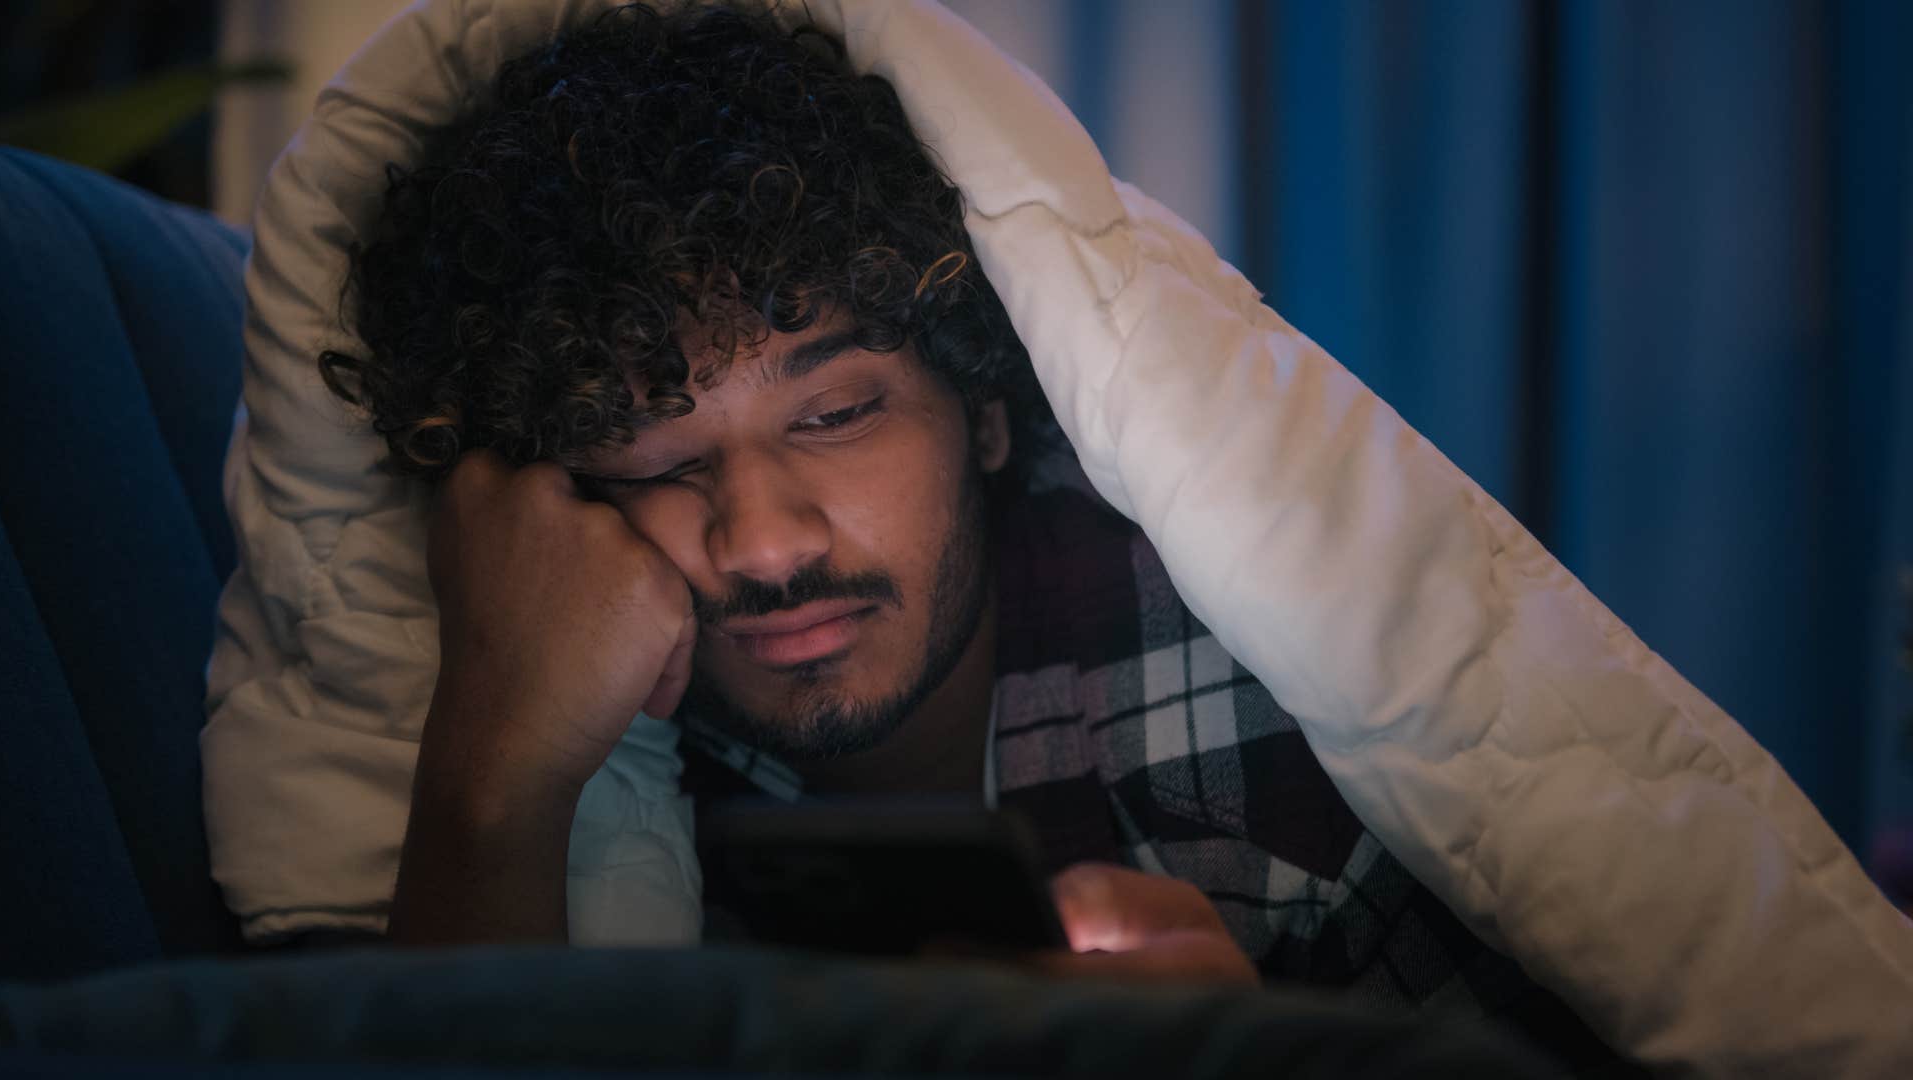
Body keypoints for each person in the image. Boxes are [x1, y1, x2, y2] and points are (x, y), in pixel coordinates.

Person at [308, 2, 1624, 1067]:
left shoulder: (1268, 735)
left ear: (986, 413)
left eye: (835, 413)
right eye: (656, 461)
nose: (762, 543)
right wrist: (491, 779)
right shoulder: (580, 717)